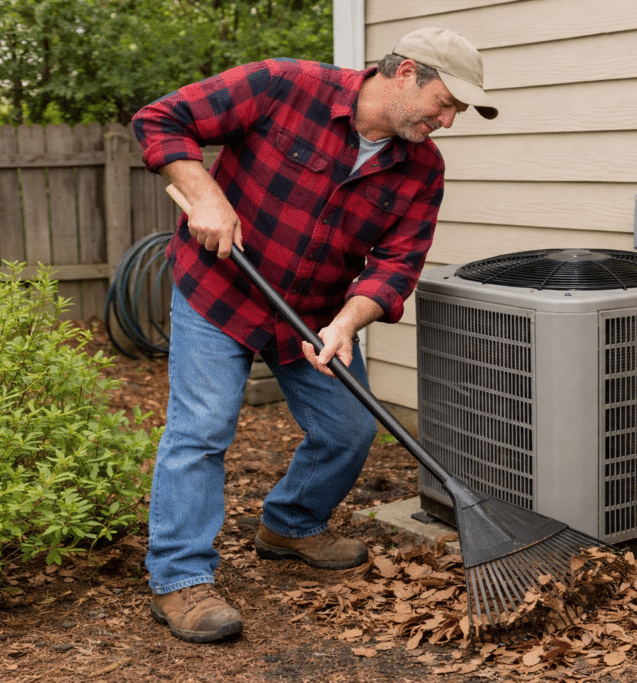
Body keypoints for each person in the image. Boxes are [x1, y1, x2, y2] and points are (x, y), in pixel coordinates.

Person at [131, 27, 498, 644]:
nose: (449, 122)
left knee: (349, 428)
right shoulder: (285, 86)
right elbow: (161, 119)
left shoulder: (421, 170)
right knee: (203, 428)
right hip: (218, 293)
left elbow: (396, 263)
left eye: (457, 112)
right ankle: (179, 580)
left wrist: (347, 322)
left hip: (312, 314)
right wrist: (208, 196)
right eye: (446, 104)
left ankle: (291, 524)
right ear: (406, 73)